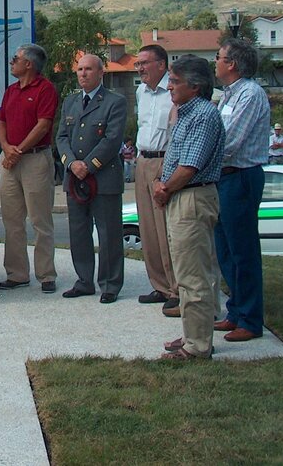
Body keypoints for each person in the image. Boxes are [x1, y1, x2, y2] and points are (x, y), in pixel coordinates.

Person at [152, 56, 225, 360]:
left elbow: (189, 166)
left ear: (195, 86)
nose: (169, 87)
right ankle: (194, 334)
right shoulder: (186, 114)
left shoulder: (203, 116)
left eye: (175, 81)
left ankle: (197, 346)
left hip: (191, 198)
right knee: (191, 271)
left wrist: (165, 188)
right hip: (183, 196)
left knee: (192, 274)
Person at [56, 54, 128, 303]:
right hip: (75, 178)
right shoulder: (71, 102)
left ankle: (109, 284)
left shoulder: (114, 102)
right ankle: (84, 280)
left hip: (103, 177)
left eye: (88, 69)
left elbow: (112, 139)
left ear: (101, 73)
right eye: (79, 69)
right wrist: (72, 164)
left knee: (108, 233)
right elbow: (62, 138)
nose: (83, 74)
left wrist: (88, 165)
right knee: (78, 232)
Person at [214, 38, 271, 343]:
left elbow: (231, 142)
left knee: (243, 250)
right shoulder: (227, 96)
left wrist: (201, 154)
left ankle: (250, 319)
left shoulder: (250, 95)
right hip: (223, 178)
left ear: (232, 63)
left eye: (219, 57)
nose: (216, 62)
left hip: (241, 177)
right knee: (225, 250)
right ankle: (235, 311)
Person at [0, 43, 59, 293]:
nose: (12, 62)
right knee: (11, 220)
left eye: (16, 59)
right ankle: (17, 273)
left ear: (29, 64)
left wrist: (18, 150)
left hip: (34, 160)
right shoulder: (11, 91)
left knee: (40, 220)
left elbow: (43, 125)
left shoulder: (45, 89)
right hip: (10, 160)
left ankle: (46, 275)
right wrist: (6, 147)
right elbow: (1, 122)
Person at [133, 44, 179, 314]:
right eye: (138, 64)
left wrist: (168, 168)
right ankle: (160, 285)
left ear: (161, 64)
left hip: (165, 161)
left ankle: (176, 287)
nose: (140, 68)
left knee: (166, 229)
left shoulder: (172, 91)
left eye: (145, 63)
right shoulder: (141, 92)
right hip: (142, 160)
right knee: (148, 228)